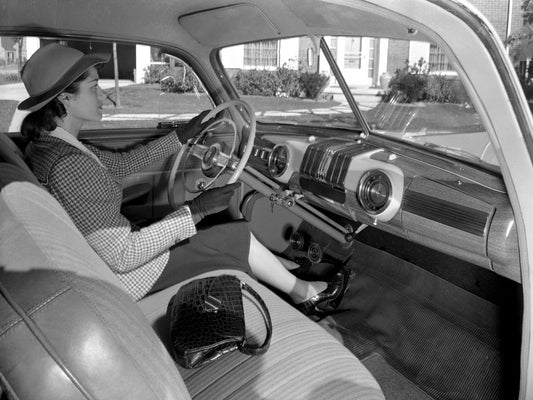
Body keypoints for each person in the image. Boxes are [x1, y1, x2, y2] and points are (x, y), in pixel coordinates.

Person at [19, 43, 350, 315]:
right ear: (65, 97)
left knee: (221, 224)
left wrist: (179, 137)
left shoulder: (52, 145)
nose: (103, 95)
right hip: (130, 279)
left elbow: (120, 165)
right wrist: (195, 209)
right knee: (235, 235)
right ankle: (305, 294)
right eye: (93, 87)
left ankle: (287, 274)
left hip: (116, 257)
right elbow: (122, 257)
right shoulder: (68, 165)